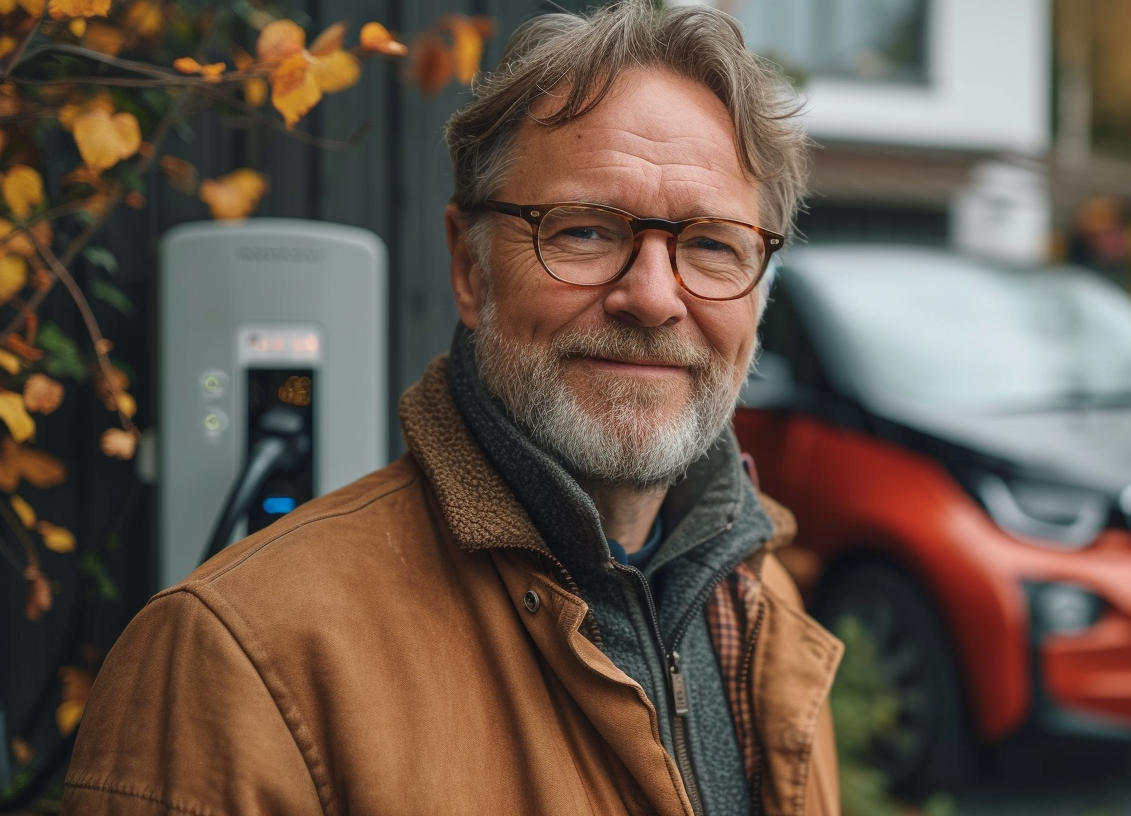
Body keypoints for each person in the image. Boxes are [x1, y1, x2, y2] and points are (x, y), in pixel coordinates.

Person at [61, 3, 843, 814]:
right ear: (469, 269)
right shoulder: (238, 659)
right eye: (583, 231)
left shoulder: (762, 608)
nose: (652, 297)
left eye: (714, 245)